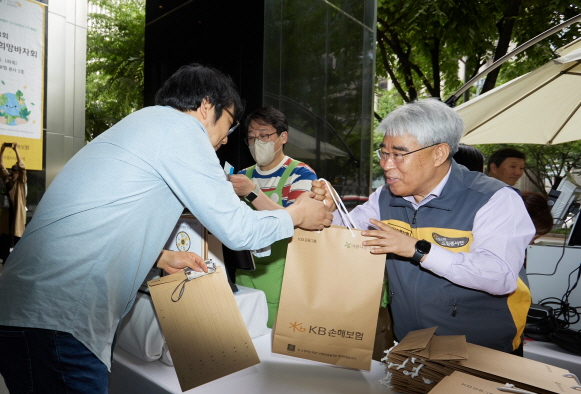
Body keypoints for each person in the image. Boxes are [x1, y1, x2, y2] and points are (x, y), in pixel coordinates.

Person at [0, 64, 333, 393]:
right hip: (59, 320)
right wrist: (297, 214)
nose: (223, 141)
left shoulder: (142, 125)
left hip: (32, 310)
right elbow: (238, 230)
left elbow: (99, 220)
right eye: (229, 125)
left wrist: (158, 257)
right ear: (206, 106)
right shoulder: (182, 131)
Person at [312, 99, 535, 355]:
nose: (386, 164)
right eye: (383, 153)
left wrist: (418, 250)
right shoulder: (385, 197)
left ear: (439, 153)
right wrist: (328, 212)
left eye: (398, 154)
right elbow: (350, 235)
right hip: (410, 343)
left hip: (478, 349)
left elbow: (500, 277)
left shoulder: (494, 199)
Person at [228, 107, 317, 327]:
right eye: (251, 137)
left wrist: (253, 193)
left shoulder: (301, 173)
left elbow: (298, 221)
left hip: (283, 273)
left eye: (264, 135)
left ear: (283, 137)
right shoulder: (243, 176)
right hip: (244, 271)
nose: (257, 142)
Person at [0, 142, 26, 262]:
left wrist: (16, 150)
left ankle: (17, 261)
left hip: (17, 214)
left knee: (17, 238)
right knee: (5, 237)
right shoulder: (8, 179)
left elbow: (22, 166)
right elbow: (1, 166)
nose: (13, 172)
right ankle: (5, 260)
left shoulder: (21, 181)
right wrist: (2, 150)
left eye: (15, 171)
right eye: (12, 170)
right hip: (8, 213)